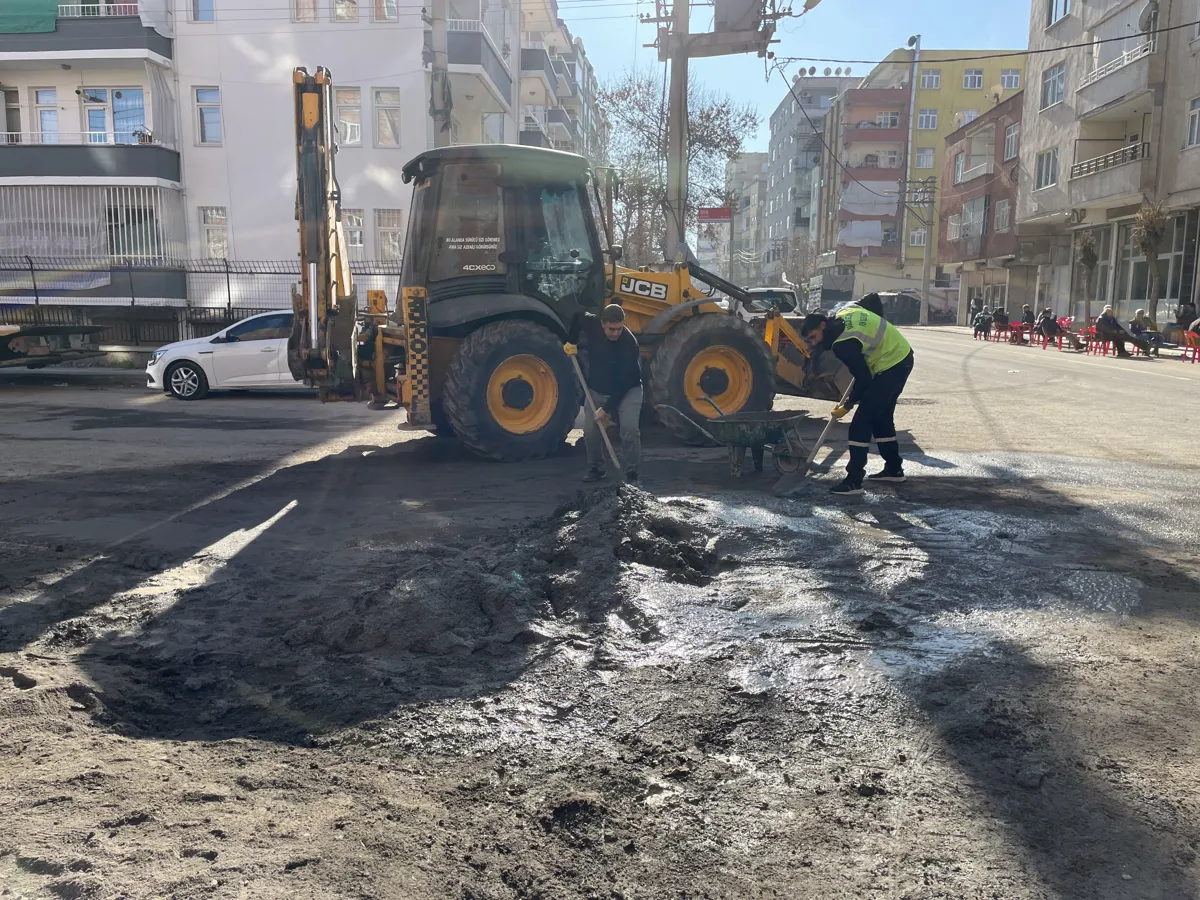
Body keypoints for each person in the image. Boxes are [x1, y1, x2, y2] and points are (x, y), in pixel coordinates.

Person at [798, 306, 914, 495]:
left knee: (861, 423)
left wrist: (848, 405)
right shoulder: (846, 311)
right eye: (809, 340)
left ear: (823, 325)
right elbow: (871, 301)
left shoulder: (842, 343)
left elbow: (864, 379)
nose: (814, 342)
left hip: (892, 364)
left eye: (814, 337)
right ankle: (894, 469)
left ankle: (854, 481)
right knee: (881, 418)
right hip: (901, 355)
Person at [564, 304, 643, 483]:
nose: (615, 333)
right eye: (611, 329)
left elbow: (624, 383)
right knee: (591, 432)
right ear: (602, 324)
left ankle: (632, 473)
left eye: (619, 329)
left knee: (629, 429)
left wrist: (606, 409)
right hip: (597, 388)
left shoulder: (629, 344)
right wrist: (572, 341)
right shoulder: (592, 324)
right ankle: (596, 468)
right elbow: (577, 315)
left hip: (628, 390)